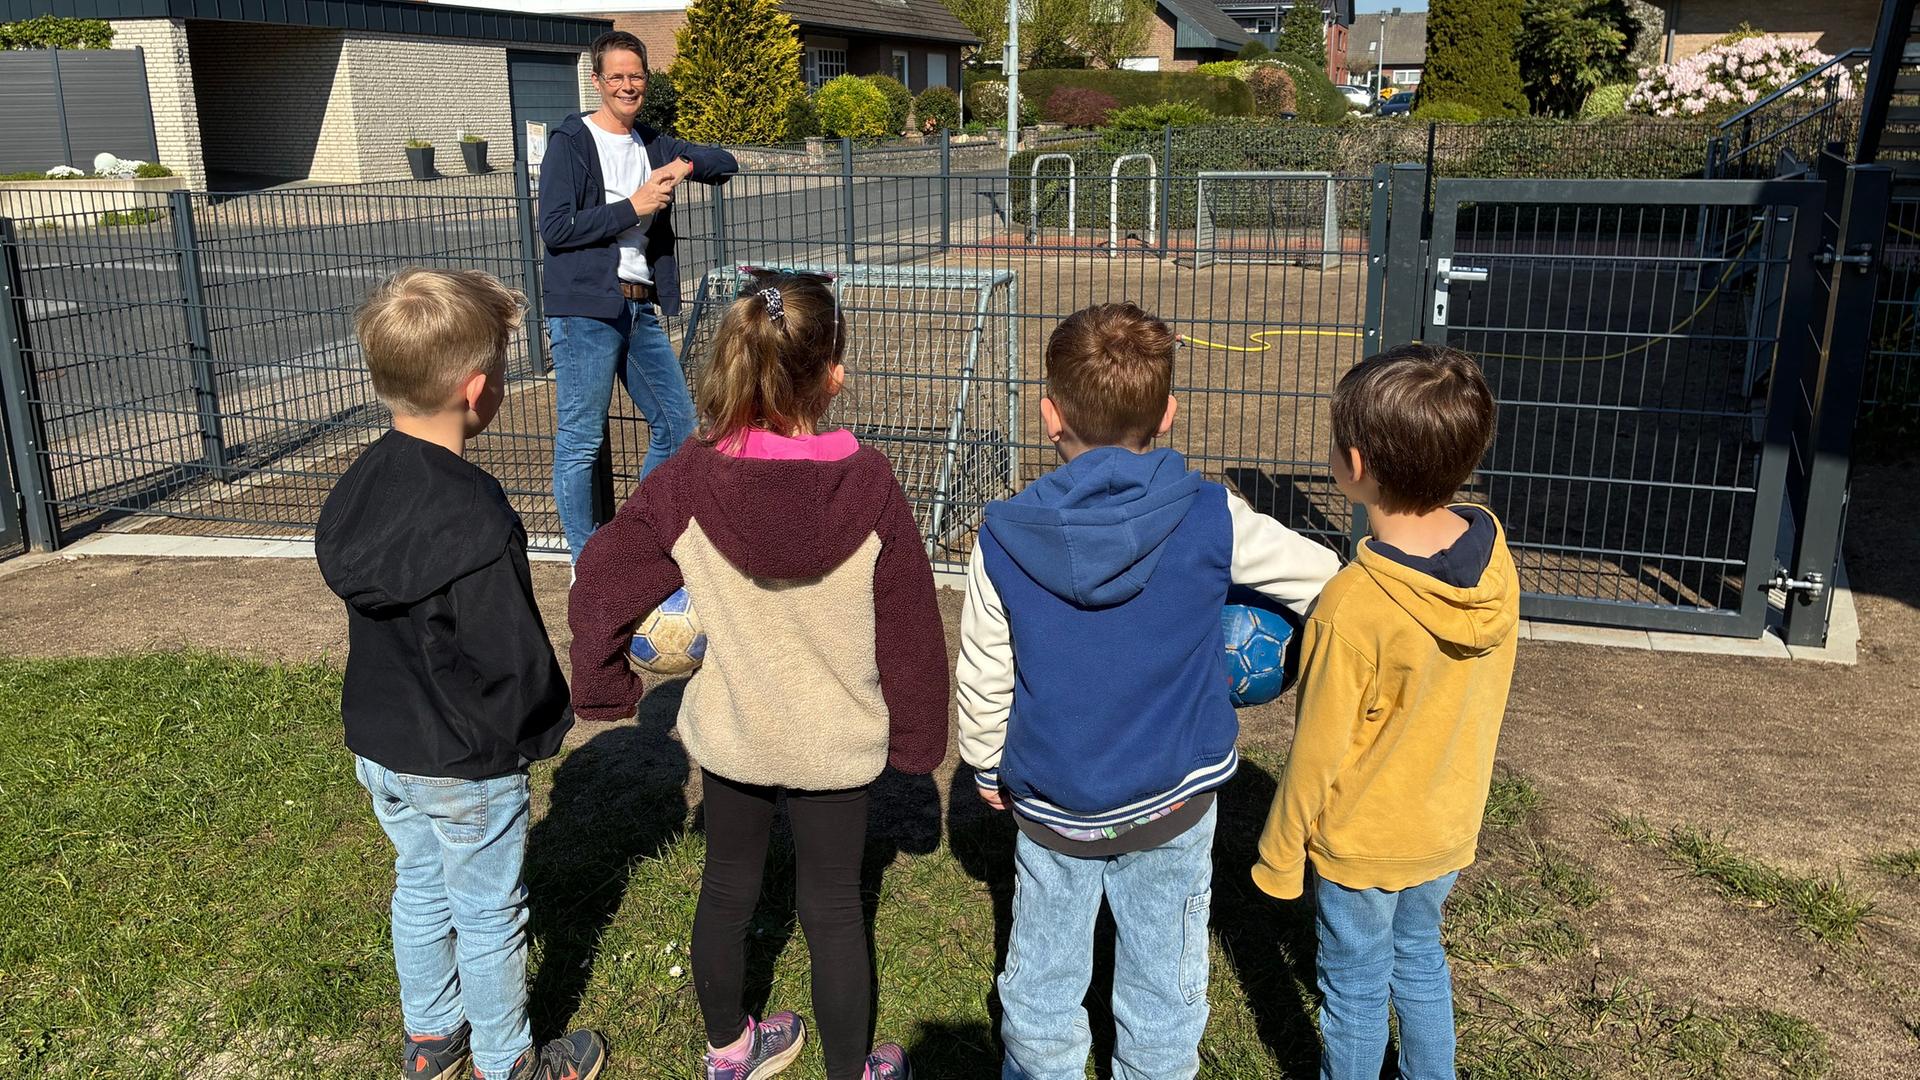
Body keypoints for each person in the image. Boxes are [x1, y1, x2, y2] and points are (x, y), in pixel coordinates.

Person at [566, 272, 950, 1080]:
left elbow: (600, 575)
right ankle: (849, 1070)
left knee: (728, 887)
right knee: (836, 910)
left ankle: (730, 1051)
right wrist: (916, 747)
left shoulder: (687, 481)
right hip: (835, 746)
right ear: (834, 373)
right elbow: (911, 630)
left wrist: (605, 684)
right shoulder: (874, 485)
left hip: (737, 736)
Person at [956, 302, 1341, 1080]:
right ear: (1168, 414)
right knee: (1164, 981)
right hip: (1176, 798)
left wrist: (986, 763)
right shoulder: (1213, 516)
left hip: (1055, 804)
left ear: (1048, 413)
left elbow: (984, 671)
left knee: (1044, 979)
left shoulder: (1000, 537)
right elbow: (1327, 580)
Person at [315, 269, 606, 1080]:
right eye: (507, 373)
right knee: (487, 912)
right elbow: (508, 653)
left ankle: (431, 1036)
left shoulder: (356, 484)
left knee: (418, 884)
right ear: (477, 390)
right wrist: (542, 722)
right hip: (464, 758)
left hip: (382, 742)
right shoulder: (476, 512)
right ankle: (507, 1060)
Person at [1252, 344, 1519, 1080]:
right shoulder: (1495, 560)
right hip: (1446, 828)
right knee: (1421, 959)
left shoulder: (1353, 607)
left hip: (1363, 844)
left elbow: (1316, 754)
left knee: (1356, 989)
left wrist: (1279, 857)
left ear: (1356, 465)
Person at [538, 29, 738, 562]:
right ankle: (588, 562)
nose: (628, 86)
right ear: (598, 80)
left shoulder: (653, 142)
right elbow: (555, 228)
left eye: (637, 76)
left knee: (678, 427)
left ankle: (631, 537)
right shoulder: (571, 142)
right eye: (618, 77)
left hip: (639, 305)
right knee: (581, 439)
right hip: (585, 309)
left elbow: (725, 162)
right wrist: (635, 205)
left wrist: (685, 165)